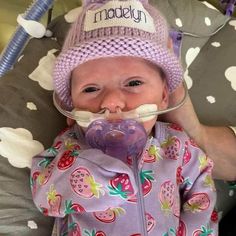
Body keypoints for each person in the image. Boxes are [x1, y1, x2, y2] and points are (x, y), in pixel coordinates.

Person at [30, 0, 218, 235]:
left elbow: (202, 197)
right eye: (90, 89)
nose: (110, 102)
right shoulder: (70, 146)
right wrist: (95, 176)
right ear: (71, 106)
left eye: (134, 83)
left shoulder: (177, 146)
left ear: (163, 96)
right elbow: (44, 192)